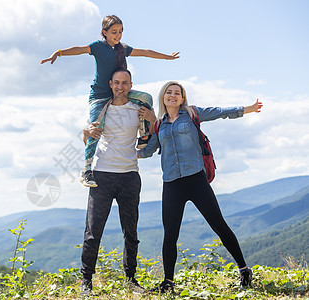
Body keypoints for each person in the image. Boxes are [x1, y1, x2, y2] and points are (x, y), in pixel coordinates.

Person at [138, 81, 263, 294]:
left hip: (196, 179)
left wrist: (247, 109)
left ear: (182, 98)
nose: (173, 95)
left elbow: (220, 112)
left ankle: (244, 270)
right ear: (163, 97)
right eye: (169, 92)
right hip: (171, 183)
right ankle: (168, 282)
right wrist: (121, 147)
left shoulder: (193, 114)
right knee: (170, 235)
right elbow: (147, 150)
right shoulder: (160, 125)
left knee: (219, 225)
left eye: (177, 93)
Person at [41, 15, 179, 188]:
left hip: (120, 91)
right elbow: (79, 49)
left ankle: (143, 135)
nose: (118, 35)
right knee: (96, 127)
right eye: (114, 32)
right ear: (104, 32)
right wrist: (59, 53)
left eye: (120, 32)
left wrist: (167, 57)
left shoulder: (123, 48)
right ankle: (86, 170)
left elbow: (145, 52)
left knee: (146, 98)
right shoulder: (98, 47)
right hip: (100, 95)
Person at [80, 69, 152, 296]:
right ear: (110, 84)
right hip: (101, 175)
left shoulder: (138, 110)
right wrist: (85, 132)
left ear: (131, 85)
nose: (120, 86)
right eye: (117, 82)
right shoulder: (102, 109)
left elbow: (151, 135)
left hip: (130, 175)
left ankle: (131, 279)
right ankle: (86, 282)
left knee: (130, 231)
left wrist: (151, 119)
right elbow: (87, 140)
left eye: (125, 83)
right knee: (93, 231)